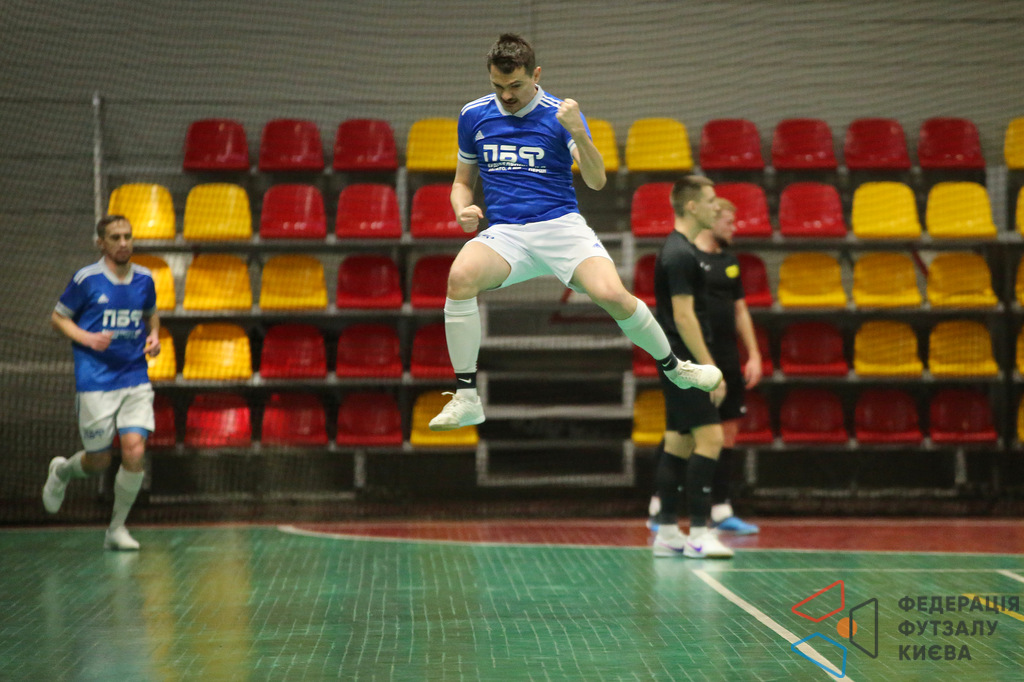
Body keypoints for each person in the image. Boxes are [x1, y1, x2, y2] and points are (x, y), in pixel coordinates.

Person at [429, 33, 721, 432]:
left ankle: (675, 368)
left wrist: (579, 133)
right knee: (460, 277)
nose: (507, 95)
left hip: (561, 227)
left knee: (612, 295)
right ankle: (466, 398)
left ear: (536, 75)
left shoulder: (560, 114)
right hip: (506, 234)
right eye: (498, 86)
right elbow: (462, 182)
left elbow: (597, 181)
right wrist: (461, 209)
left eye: (516, 85)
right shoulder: (473, 115)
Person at [42, 214, 161, 551]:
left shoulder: (145, 278)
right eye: (115, 237)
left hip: (134, 374)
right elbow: (58, 318)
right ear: (101, 243)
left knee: (134, 450)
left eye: (127, 236)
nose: (123, 243)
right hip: (95, 378)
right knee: (99, 461)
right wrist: (88, 338)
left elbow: (151, 313)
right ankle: (62, 472)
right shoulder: (87, 279)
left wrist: (154, 335)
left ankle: (117, 528)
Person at [647, 198, 762, 535]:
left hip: (727, 356)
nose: (733, 228)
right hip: (693, 357)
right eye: (728, 220)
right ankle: (668, 513)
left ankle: (719, 510)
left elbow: (740, 310)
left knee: (725, 432)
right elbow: (680, 314)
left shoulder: (729, 262)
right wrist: (703, 363)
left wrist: (754, 354)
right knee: (685, 430)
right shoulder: (684, 257)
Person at [650, 175, 733, 559]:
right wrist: (709, 369)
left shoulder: (680, 249)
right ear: (691, 206)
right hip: (685, 363)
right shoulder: (680, 254)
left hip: (677, 360)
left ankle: (668, 533)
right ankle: (699, 534)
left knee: (678, 442)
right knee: (711, 440)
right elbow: (684, 317)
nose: (717, 206)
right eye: (711, 200)